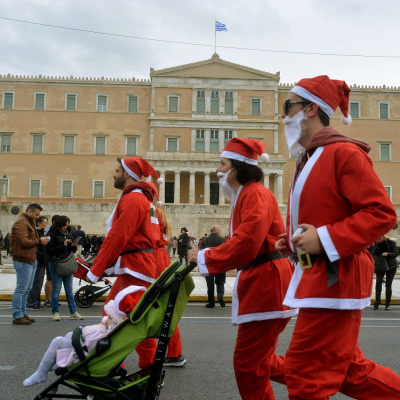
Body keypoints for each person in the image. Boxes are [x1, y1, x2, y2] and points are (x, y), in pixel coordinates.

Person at [275, 75, 400, 399]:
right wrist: (291, 240)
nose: (283, 114)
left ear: (311, 109)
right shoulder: (309, 159)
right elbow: (321, 218)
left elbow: (381, 213)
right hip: (321, 277)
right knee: (351, 374)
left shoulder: (342, 153)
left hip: (335, 277)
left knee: (305, 377)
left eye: (288, 106)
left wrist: (324, 239)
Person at [188, 138, 296, 400]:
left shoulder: (254, 194)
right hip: (264, 280)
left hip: (267, 281)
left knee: (248, 364)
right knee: (259, 361)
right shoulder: (246, 195)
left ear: (237, 168)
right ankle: (312, 374)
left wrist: (205, 255)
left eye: (222, 164)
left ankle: (316, 375)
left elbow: (247, 242)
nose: (218, 170)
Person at [85, 157, 162, 369]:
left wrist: (96, 270)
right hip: (138, 266)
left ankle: (113, 367)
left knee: (118, 317)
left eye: (118, 170)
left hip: (135, 269)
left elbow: (118, 236)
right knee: (131, 318)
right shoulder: (142, 200)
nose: (114, 174)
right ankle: (140, 366)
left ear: (128, 174)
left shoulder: (133, 199)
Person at [23, 287, 145, 387]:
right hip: (89, 355)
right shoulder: (111, 333)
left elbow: (90, 341)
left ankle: (41, 373)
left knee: (58, 341)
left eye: (109, 317)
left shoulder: (105, 334)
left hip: (85, 358)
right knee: (68, 336)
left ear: (114, 322)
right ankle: (50, 366)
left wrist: (85, 331)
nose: (106, 318)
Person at [144, 181, 187, 367]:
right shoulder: (159, 212)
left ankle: (148, 359)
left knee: (141, 308)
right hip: (161, 259)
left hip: (151, 259)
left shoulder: (149, 210)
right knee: (165, 309)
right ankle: (175, 354)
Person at [10, 203, 50, 325]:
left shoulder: (28, 223)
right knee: (21, 289)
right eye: (36, 214)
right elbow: (24, 241)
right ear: (30, 211)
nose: (37, 217)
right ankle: (17, 315)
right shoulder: (21, 223)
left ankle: (22, 313)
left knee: (27, 289)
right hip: (23, 259)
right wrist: (39, 240)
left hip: (30, 259)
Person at [46, 215, 84, 321]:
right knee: (56, 289)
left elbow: (70, 250)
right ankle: (55, 312)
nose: (66, 227)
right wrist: (63, 245)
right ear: (59, 225)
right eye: (64, 225)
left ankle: (73, 312)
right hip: (56, 263)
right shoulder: (51, 235)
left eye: (67, 225)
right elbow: (49, 250)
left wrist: (73, 245)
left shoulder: (68, 233)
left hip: (67, 262)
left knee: (69, 290)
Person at [200, 225, 227, 308]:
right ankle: (220, 296)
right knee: (220, 282)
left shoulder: (205, 240)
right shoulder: (223, 240)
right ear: (217, 231)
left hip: (209, 265)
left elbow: (201, 252)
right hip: (220, 265)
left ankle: (211, 303)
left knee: (210, 284)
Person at [26, 216, 49, 310]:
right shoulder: (36, 233)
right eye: (44, 223)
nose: (46, 225)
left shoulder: (41, 233)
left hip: (42, 261)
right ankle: (32, 302)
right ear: (38, 223)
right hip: (38, 261)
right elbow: (36, 248)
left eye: (46, 223)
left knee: (39, 283)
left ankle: (36, 301)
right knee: (35, 283)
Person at [372, 235, 399, 310]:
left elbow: (395, 253)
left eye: (378, 239)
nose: (377, 240)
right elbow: (373, 253)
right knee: (378, 282)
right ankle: (377, 302)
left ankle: (387, 304)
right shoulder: (376, 243)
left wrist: (387, 254)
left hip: (391, 266)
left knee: (388, 285)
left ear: (383, 237)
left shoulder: (391, 242)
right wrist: (377, 259)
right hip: (381, 265)